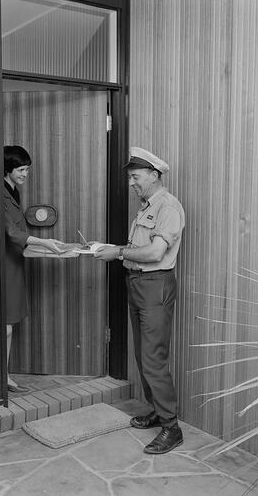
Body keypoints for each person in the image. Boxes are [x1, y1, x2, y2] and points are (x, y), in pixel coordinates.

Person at [95, 147, 185, 455]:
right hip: (137, 284)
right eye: (131, 178)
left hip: (155, 285)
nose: (132, 183)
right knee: (143, 356)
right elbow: (138, 247)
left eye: (135, 177)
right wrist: (115, 249)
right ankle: (159, 411)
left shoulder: (168, 207)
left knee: (152, 359)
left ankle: (172, 428)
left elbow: (154, 253)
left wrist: (117, 252)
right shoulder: (146, 205)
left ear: (154, 175)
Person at [0, 145, 63, 394]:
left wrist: (45, 248)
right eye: (21, 170)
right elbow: (12, 233)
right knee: (1, 327)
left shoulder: (12, 191)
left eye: (27, 169)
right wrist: (44, 242)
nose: (26, 174)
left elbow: (17, 235)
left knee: (9, 325)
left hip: (13, 264)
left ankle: (2, 377)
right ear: (8, 170)